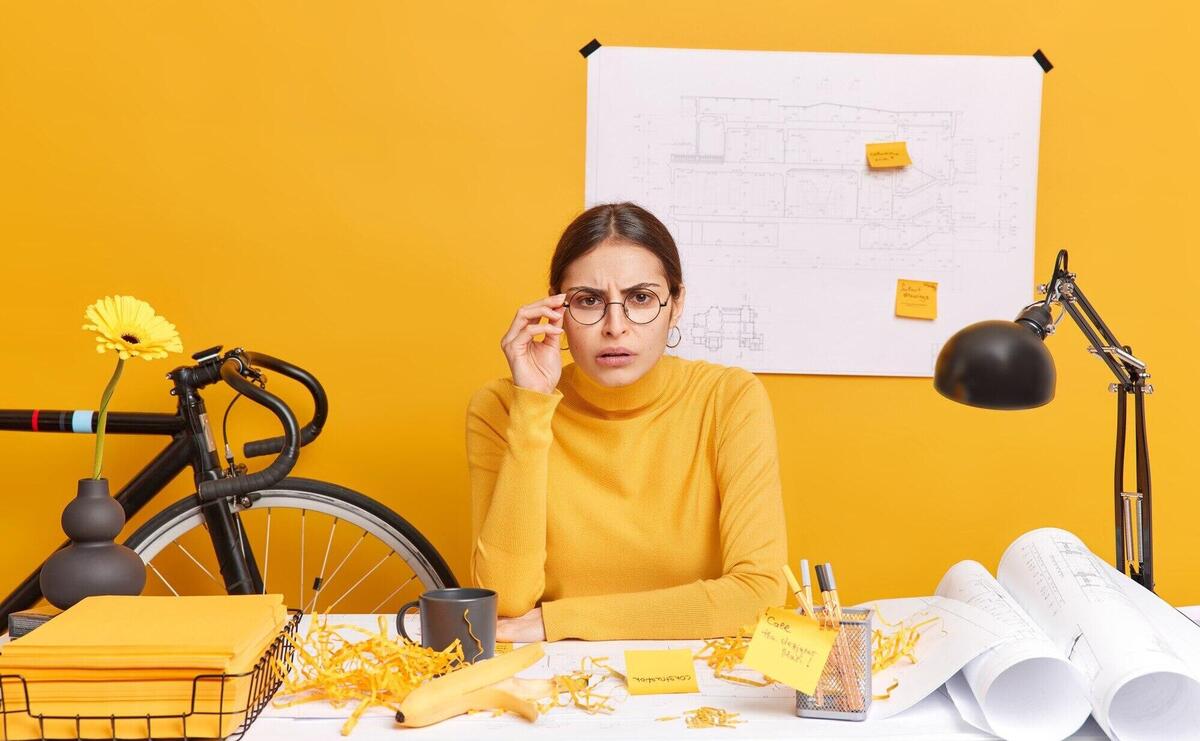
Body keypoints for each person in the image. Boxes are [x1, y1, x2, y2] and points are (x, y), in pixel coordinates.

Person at [466, 201, 787, 642]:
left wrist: (561, 621)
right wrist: (533, 407)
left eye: (640, 298)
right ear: (557, 310)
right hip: (560, 673)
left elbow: (758, 595)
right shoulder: (503, 406)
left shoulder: (728, 399)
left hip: (703, 674)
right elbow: (505, 602)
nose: (615, 326)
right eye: (589, 300)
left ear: (676, 305)